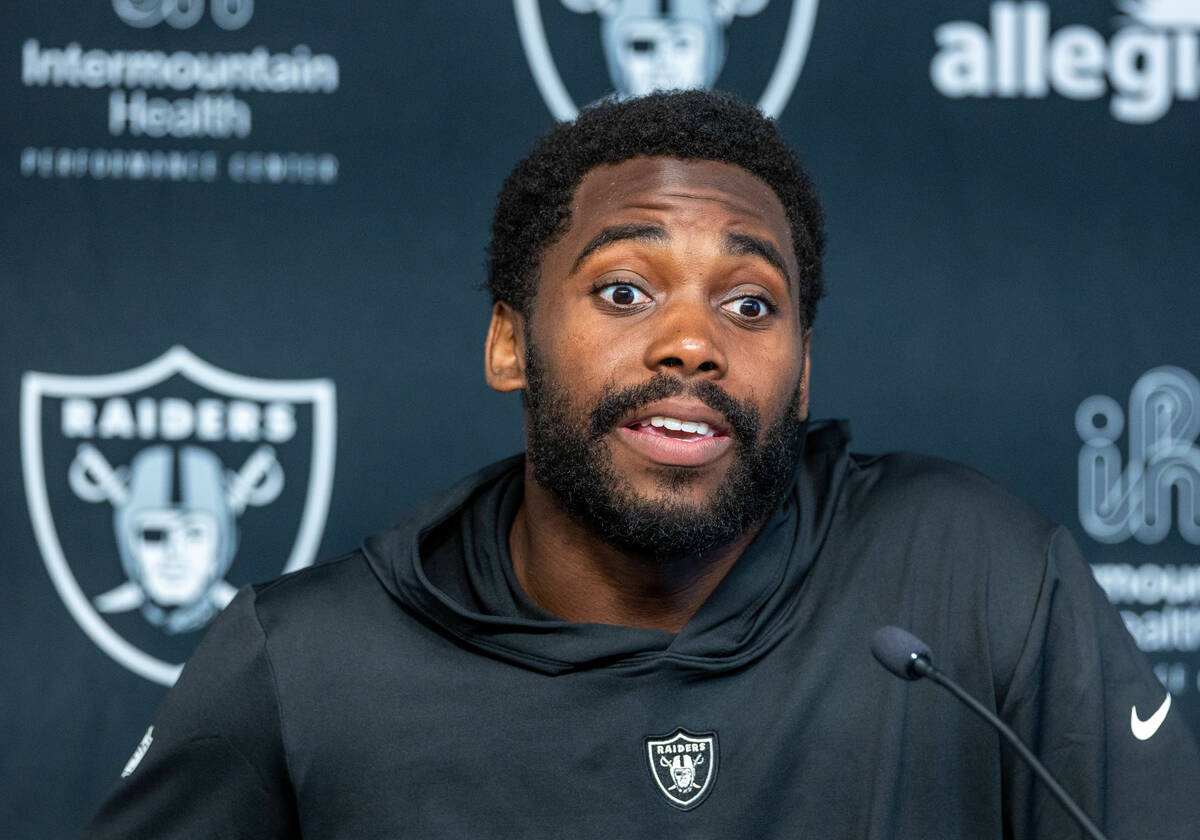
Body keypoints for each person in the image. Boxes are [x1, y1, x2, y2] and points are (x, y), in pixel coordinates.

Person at [84, 90, 1200, 838]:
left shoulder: (975, 576)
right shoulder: (303, 666)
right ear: (510, 342)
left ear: (802, 374)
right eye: (624, 290)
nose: (692, 343)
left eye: (751, 304)